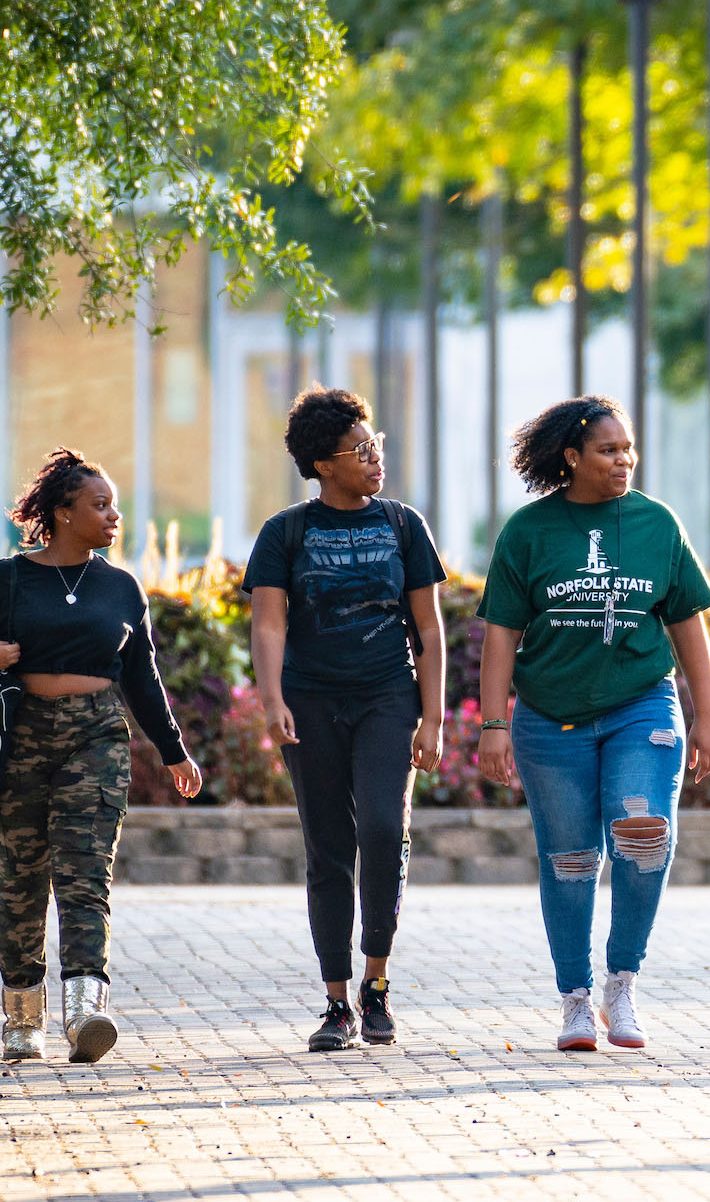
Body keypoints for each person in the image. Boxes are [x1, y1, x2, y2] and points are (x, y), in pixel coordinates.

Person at [0, 449, 203, 1064]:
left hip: (96, 735)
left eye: (115, 505)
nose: (114, 516)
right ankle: (23, 1018)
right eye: (100, 505)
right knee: (21, 882)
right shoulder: (7, 579)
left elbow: (143, 677)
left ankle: (86, 1013)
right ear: (62, 512)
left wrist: (174, 752)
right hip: (18, 737)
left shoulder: (122, 587)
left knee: (85, 874)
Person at [475, 396, 710, 1052]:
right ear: (572, 458)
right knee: (572, 860)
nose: (624, 461)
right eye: (609, 451)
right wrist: (493, 723)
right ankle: (576, 1001)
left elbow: (687, 623)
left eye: (628, 449)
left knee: (643, 836)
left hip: (640, 703)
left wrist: (708, 717)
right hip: (549, 719)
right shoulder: (528, 532)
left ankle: (622, 981)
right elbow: (501, 634)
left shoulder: (655, 524)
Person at [246, 388, 447, 1052]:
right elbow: (270, 623)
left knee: (386, 829)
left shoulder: (402, 524)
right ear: (323, 464)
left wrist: (434, 718)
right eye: (360, 450)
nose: (374, 458)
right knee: (328, 847)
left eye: (376, 446)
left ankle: (377, 982)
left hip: (389, 695)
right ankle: (335, 1003)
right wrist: (272, 698)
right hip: (311, 700)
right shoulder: (286, 532)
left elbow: (429, 629)